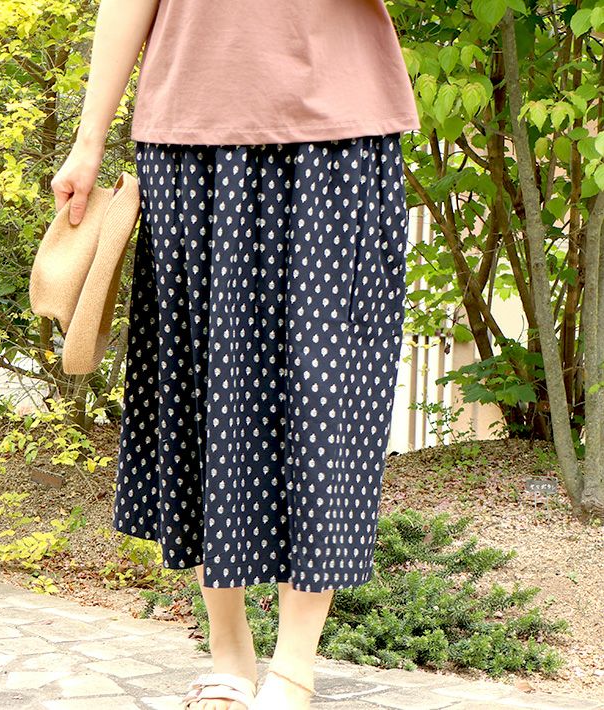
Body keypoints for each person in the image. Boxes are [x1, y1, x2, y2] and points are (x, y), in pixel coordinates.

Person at [51, 1, 420, 708]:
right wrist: (88, 139)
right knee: (200, 390)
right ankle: (229, 651)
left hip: (337, 134)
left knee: (325, 393)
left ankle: (296, 666)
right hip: (188, 135)